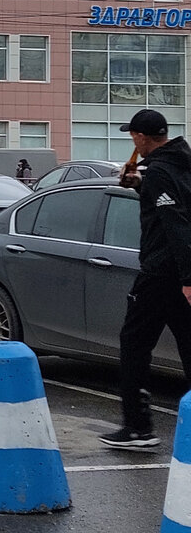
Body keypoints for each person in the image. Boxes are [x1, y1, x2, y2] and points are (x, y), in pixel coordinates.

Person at [101, 109, 191, 449]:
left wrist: (188, 277)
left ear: (141, 138)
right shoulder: (180, 165)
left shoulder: (160, 172)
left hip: (160, 275)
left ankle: (138, 429)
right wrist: (139, 184)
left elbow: (176, 224)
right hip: (176, 273)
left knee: (134, 344)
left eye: (133, 136)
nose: (132, 141)